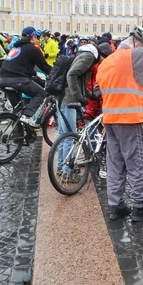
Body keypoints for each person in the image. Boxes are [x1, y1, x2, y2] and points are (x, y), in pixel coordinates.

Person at [96, 25, 143, 221]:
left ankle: (117, 205)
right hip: (129, 119)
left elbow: (97, 90)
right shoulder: (130, 57)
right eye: (142, 46)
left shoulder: (107, 62)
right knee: (137, 163)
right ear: (137, 43)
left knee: (115, 164)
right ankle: (139, 206)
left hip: (110, 120)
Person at [56, 42, 101, 182]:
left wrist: (91, 95)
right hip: (69, 100)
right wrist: (79, 97)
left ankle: (61, 166)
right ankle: (68, 173)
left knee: (64, 134)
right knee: (71, 136)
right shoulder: (88, 57)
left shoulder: (83, 55)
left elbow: (80, 83)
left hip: (63, 97)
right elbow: (72, 75)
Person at [0, 27, 52, 127]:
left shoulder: (15, 48)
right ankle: (27, 115)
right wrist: (57, 74)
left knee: (17, 109)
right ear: (33, 36)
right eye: (36, 37)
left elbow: (21, 66)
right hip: (17, 80)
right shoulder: (32, 49)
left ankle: (17, 134)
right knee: (41, 93)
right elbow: (45, 67)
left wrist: (34, 74)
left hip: (3, 80)